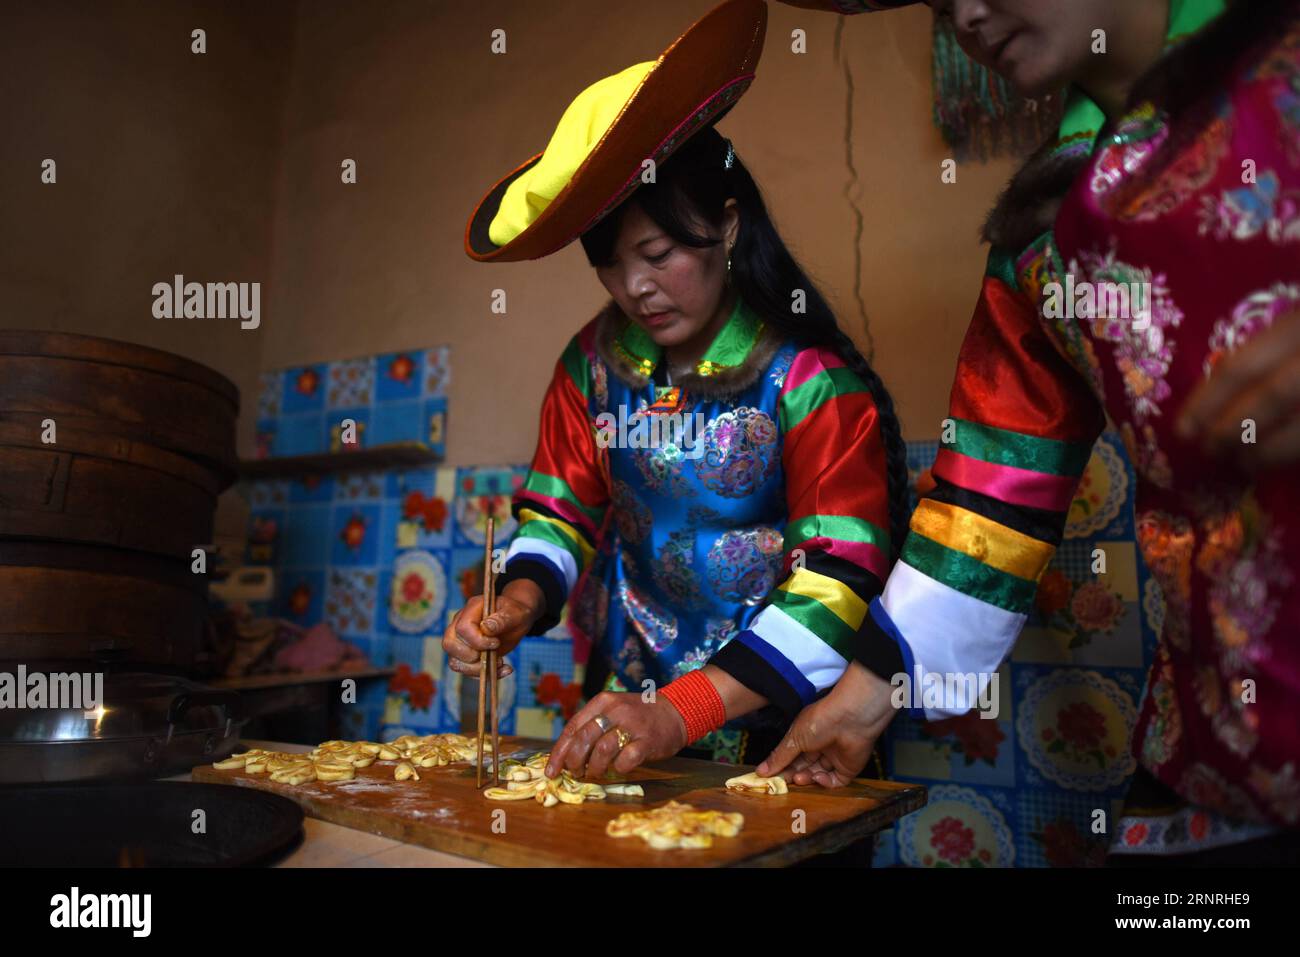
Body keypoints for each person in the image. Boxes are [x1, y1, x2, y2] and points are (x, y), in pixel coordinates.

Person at [761, 0, 1300, 862]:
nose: (965, 14)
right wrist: (865, 695)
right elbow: (990, 495)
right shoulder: (1047, 231)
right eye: (938, 3)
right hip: (1207, 766)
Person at [445, 0, 910, 774]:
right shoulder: (591, 367)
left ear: (726, 225)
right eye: (612, 264)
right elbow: (560, 511)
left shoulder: (810, 381)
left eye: (657, 253)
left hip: (786, 719)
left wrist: (685, 709)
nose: (636, 288)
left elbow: (839, 581)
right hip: (627, 710)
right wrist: (517, 602)